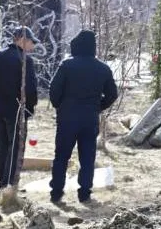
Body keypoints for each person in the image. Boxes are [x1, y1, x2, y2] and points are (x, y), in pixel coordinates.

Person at [49, 30, 118, 204]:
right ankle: (85, 192)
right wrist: (98, 107)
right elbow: (112, 94)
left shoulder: (67, 65)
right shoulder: (103, 68)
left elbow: (54, 90)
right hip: (90, 118)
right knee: (88, 156)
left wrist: (60, 106)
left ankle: (57, 191)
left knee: (62, 155)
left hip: (67, 118)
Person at [0, 26, 39, 196]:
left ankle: (1, 182)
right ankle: (8, 186)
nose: (33, 46)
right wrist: (30, 109)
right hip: (16, 111)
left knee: (1, 147)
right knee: (14, 148)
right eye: (31, 41)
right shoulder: (25, 60)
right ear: (21, 39)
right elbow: (30, 89)